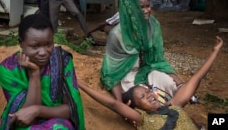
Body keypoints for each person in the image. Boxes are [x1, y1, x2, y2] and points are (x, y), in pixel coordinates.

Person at [79, 36, 223, 129]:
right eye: (142, 97)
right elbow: (113, 104)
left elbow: (196, 78)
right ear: (135, 108)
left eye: (147, 91)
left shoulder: (174, 105)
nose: (149, 95)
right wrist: (79, 84)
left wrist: (215, 52)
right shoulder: (142, 119)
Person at [0, 14, 84, 130]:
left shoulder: (62, 61)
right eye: (35, 46)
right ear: (21, 43)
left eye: (48, 44)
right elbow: (25, 119)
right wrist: (34, 75)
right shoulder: (8, 69)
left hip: (57, 121)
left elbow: (71, 110)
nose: (43, 52)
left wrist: (38, 110)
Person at [100, 0, 183, 101]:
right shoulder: (116, 35)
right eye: (140, 7)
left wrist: (181, 85)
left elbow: (158, 62)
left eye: (147, 6)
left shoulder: (153, 26)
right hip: (127, 76)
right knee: (147, 100)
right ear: (130, 9)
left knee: (171, 86)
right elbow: (111, 74)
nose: (145, 11)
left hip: (148, 70)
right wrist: (120, 105)